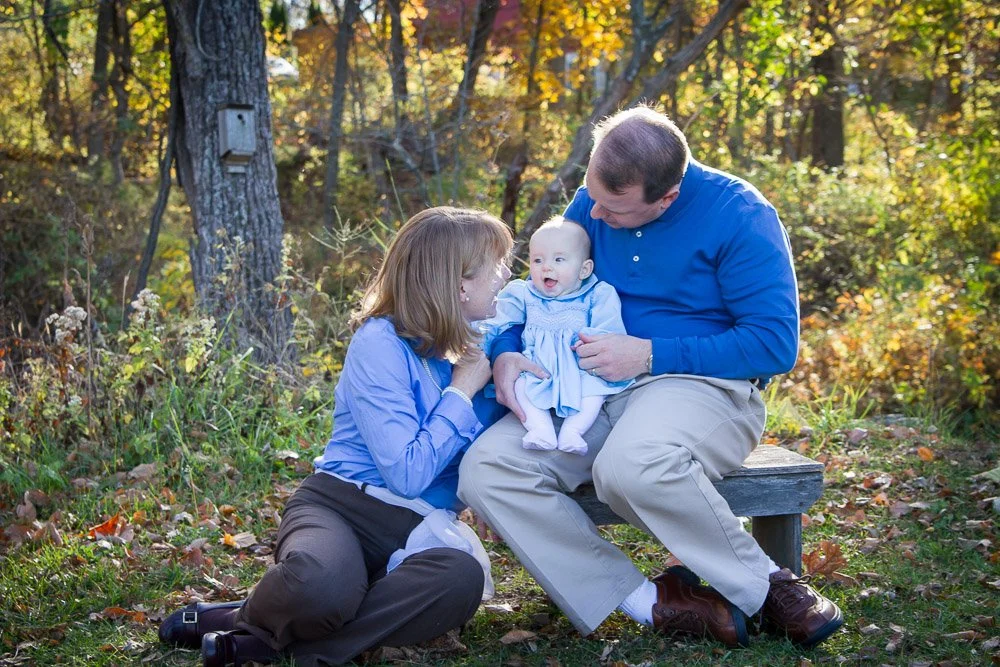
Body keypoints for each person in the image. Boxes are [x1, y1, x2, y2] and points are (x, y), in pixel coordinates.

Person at [459, 106, 843, 649]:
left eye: (613, 209)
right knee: (488, 469)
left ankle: (767, 585)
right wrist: (503, 352)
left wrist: (648, 355)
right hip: (584, 385)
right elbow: (541, 293)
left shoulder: (741, 215)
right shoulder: (593, 203)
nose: (594, 212)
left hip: (699, 386)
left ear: (666, 198)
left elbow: (773, 345)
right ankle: (652, 603)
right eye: (591, 194)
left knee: (630, 466)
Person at [159, 206, 513, 666]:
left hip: (421, 526)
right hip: (342, 505)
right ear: (460, 284)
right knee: (321, 585)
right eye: (497, 264)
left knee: (460, 577)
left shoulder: (480, 348)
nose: (507, 275)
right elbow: (406, 473)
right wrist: (461, 393)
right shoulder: (381, 342)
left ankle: (276, 642)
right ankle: (249, 616)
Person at [481, 216, 630, 455]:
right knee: (520, 385)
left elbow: (608, 329)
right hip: (537, 367)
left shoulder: (597, 295)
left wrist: (588, 341)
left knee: (595, 390)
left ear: (584, 269)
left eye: (559, 259)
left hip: (578, 368)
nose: (546, 267)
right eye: (537, 260)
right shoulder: (525, 294)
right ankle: (540, 429)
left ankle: (574, 431)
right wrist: (476, 341)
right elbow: (497, 319)